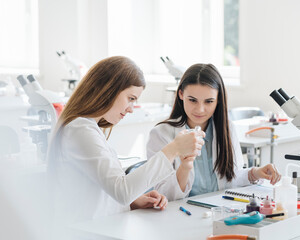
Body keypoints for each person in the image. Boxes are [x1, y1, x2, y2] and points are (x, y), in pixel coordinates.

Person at [47, 56, 205, 227]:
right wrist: (173, 149)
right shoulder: (80, 130)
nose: (131, 109)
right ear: (108, 90)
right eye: (130, 98)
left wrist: (133, 201)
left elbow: (103, 189)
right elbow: (122, 190)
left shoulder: (89, 128)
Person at [146, 63, 281, 201]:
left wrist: (256, 173)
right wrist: (185, 167)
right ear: (180, 94)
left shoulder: (226, 128)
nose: (200, 109)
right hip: (180, 214)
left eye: (209, 101)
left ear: (218, 100)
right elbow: (164, 195)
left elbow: (231, 178)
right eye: (192, 100)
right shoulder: (160, 134)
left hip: (217, 209)